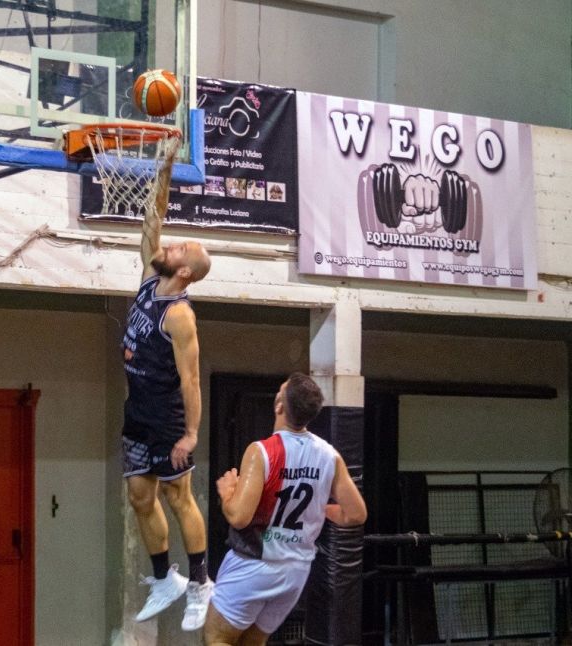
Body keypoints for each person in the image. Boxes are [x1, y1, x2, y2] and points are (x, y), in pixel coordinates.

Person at [122, 140, 214, 631]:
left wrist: (191, 434)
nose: (170, 244)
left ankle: (200, 583)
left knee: (179, 497)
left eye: (179, 249)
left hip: (167, 416)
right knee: (140, 496)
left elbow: (191, 379)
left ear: (184, 271)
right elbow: (151, 220)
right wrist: (166, 169)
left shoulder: (179, 315)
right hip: (137, 409)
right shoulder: (148, 278)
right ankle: (166, 580)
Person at [204, 373, 368, 646]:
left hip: (254, 563)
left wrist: (227, 494)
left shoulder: (261, 451)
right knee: (253, 642)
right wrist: (320, 510)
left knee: (217, 637)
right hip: (295, 571)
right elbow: (356, 514)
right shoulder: (330, 455)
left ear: (279, 405)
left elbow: (239, 517)